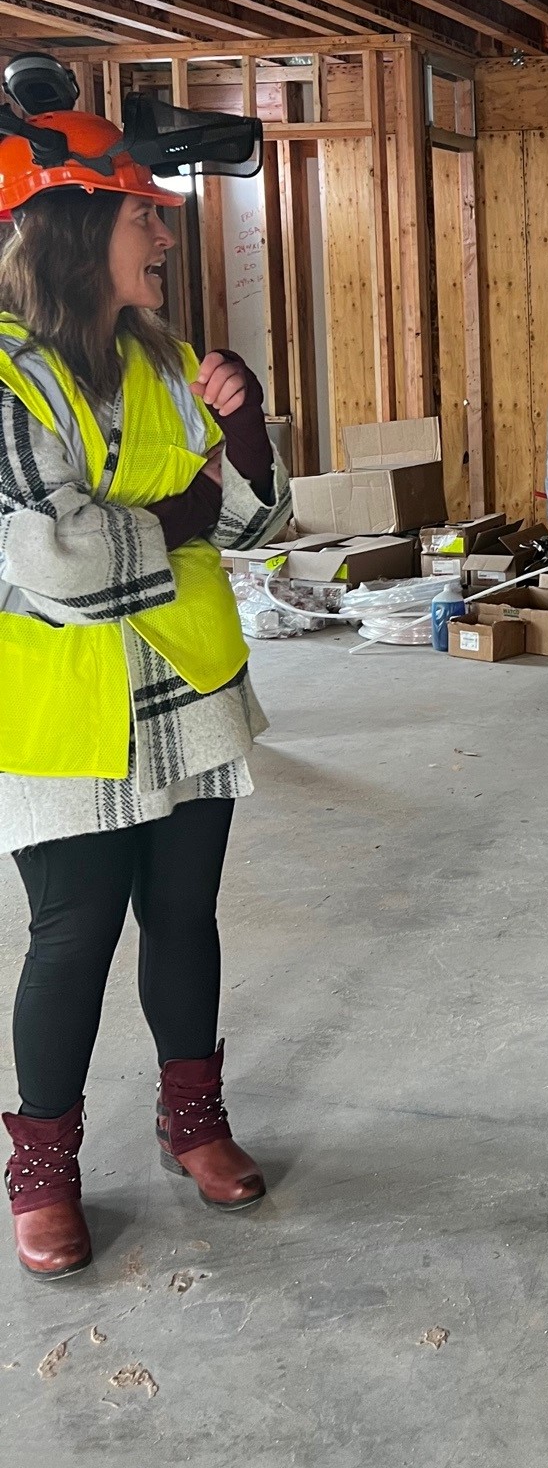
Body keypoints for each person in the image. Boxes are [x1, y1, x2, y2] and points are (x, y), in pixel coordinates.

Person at [0, 109, 290, 1279]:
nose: (164, 230)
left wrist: (248, 426)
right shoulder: (9, 377)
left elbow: (260, 527)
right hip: (64, 704)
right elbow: (58, 569)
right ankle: (43, 1167)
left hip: (190, 686)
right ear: (74, 227)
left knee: (185, 918)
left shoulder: (171, 362)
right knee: (72, 935)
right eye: (140, 213)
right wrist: (183, 521)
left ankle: (194, 1124)